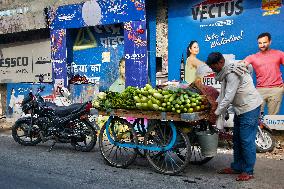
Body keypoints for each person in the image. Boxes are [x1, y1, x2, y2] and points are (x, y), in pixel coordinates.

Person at [206, 52, 263, 181]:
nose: (212, 70)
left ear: (220, 62)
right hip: (240, 109)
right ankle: (237, 166)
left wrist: (216, 113)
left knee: (246, 141)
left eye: (213, 67)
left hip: (249, 108)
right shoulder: (226, 71)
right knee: (237, 139)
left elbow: (228, 98)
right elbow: (223, 95)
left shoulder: (232, 73)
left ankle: (248, 171)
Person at [243, 32, 284, 115]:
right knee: (256, 116)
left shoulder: (279, 54)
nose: (262, 45)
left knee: (272, 118)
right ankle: (260, 128)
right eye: (260, 43)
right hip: (260, 90)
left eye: (264, 42)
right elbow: (241, 64)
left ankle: (270, 128)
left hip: (276, 89)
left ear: (270, 42)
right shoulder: (253, 57)